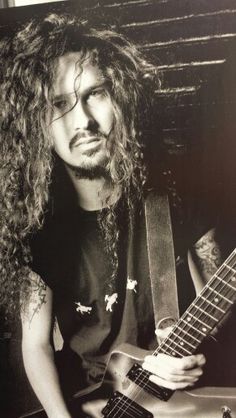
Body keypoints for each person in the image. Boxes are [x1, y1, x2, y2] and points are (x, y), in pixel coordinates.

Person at [0, 12, 226, 418]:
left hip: (178, 401)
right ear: (37, 126)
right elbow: (34, 345)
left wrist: (195, 355)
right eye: (59, 104)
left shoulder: (176, 194)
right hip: (90, 402)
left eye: (95, 93)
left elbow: (220, 312)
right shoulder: (38, 229)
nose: (83, 120)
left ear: (120, 97)